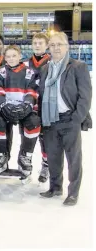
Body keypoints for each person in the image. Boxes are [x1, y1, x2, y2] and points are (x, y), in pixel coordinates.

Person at [38, 32, 92, 206]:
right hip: (50, 120)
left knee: (73, 158)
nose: (56, 48)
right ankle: (55, 187)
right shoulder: (45, 68)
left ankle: (73, 193)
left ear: (67, 46)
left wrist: (77, 118)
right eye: (52, 45)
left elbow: (85, 96)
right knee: (53, 157)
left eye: (59, 44)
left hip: (69, 118)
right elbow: (41, 94)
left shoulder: (77, 66)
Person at [0, 45, 41, 182]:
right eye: (8, 56)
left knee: (34, 122)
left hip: (23, 107)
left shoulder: (29, 72)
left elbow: (32, 90)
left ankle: (25, 155)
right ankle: (1, 154)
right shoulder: (0, 71)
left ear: (20, 56)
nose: (11, 59)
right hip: (5, 107)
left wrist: (27, 105)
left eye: (14, 56)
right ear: (4, 58)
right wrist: (3, 104)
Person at [23, 32, 51, 183]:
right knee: (26, 137)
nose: (38, 45)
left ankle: (46, 165)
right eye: (35, 43)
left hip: (47, 107)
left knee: (45, 138)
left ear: (47, 45)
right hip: (29, 107)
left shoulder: (53, 62)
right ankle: (25, 166)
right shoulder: (25, 64)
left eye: (41, 43)